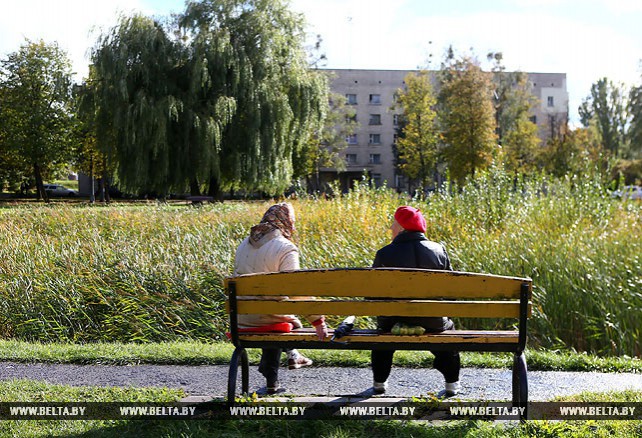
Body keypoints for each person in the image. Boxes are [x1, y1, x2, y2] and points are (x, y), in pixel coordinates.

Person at [234, 202, 328, 394]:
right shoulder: (285, 247)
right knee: (284, 320)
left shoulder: (243, 244)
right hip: (271, 317)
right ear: (287, 222)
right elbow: (296, 289)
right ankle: (290, 357)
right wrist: (318, 320)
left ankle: (274, 377)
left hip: (241, 318)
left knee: (275, 314)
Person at [370, 206, 461, 397]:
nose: (391, 228)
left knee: (383, 327)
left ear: (402, 228)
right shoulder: (439, 250)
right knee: (446, 326)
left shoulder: (384, 254)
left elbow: (372, 295)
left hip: (392, 321)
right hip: (432, 321)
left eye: (393, 224)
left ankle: (379, 382)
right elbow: (451, 292)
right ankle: (452, 383)